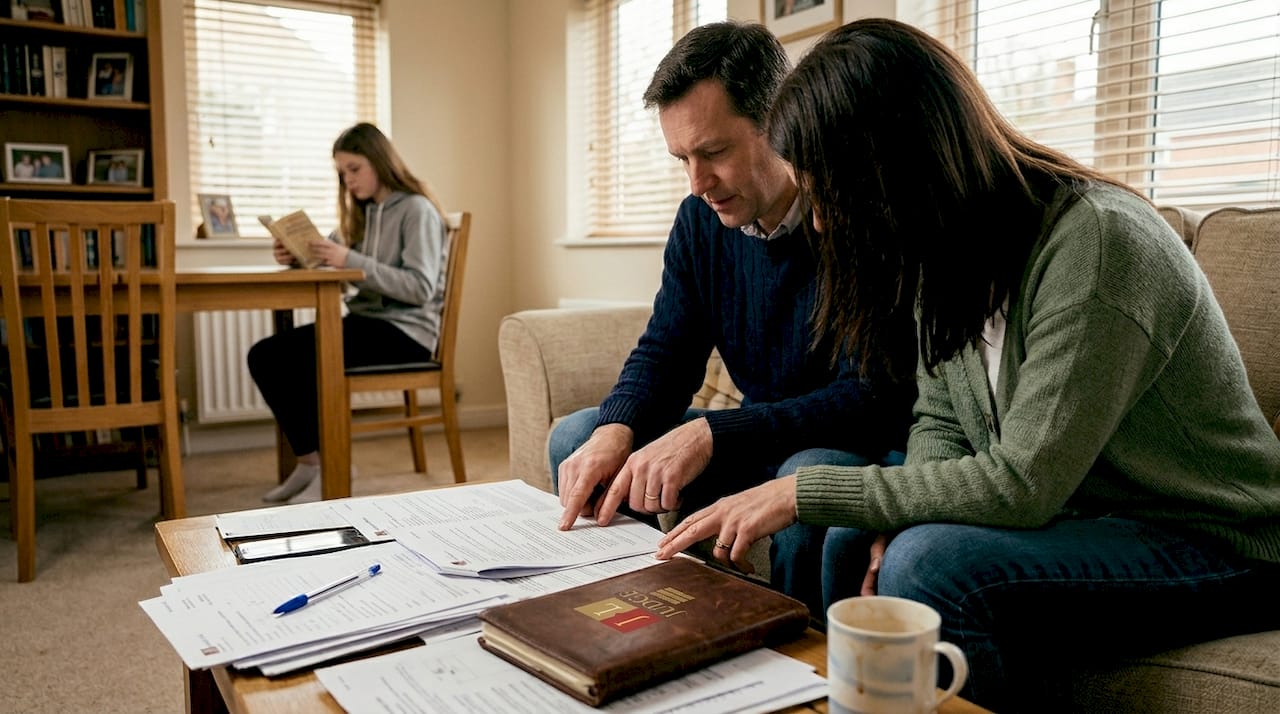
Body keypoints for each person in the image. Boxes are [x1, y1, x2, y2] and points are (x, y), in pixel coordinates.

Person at [654, 18, 1280, 710]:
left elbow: (1023, 480)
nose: (824, 221)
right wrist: (887, 512)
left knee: (928, 564)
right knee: (843, 535)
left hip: (1214, 542)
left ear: (894, 167)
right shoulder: (941, 253)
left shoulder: (1099, 246)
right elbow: (940, 420)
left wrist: (802, 495)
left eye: (830, 189)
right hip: (1083, 513)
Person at [551, 20, 917, 618]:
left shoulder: (851, 212)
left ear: (781, 122)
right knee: (577, 437)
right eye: (682, 159)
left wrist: (714, 432)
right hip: (756, 435)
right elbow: (666, 351)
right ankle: (638, 623)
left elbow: (874, 396)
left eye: (714, 153)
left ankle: (799, 667)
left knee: (808, 474)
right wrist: (615, 427)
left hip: (844, 446)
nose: (697, 183)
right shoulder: (700, 222)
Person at [247, 122, 450, 504]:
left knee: (286, 356)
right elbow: (330, 261)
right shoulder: (361, 215)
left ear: (379, 162)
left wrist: (349, 259)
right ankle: (314, 462)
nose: (348, 181)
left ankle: (323, 465)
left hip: (406, 333)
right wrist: (294, 258)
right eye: (342, 173)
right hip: (367, 325)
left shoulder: (416, 210)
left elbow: (420, 288)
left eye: (354, 169)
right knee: (268, 354)